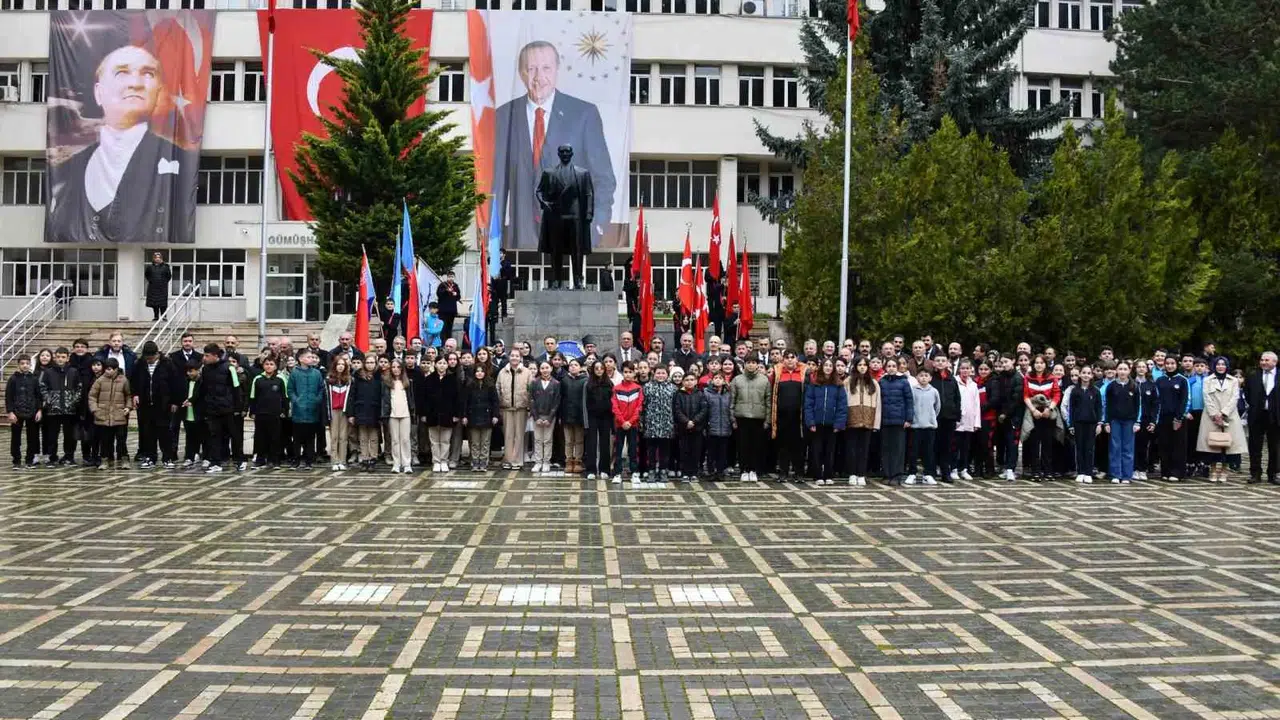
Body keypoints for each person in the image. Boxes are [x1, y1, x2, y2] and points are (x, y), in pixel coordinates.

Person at [47, 44, 198, 244]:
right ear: (98, 93)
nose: (135, 83)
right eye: (121, 73)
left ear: (158, 92)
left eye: (148, 74)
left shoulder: (181, 160)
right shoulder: (66, 171)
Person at [491, 40, 616, 252]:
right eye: (531, 69)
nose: (539, 77)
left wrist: (596, 222)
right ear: (521, 73)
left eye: (546, 68)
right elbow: (497, 183)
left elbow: (603, 178)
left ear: (557, 69)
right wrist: (493, 236)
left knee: (568, 280)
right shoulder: (505, 116)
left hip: (572, 228)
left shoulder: (584, 114)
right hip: (521, 233)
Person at [131, 340, 181, 469]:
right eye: (147, 357)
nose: (149, 360)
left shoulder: (168, 364)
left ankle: (168, 457)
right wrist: (135, 394)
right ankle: (149, 457)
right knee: (148, 432)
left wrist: (175, 401)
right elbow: (134, 381)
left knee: (164, 432)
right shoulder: (139, 364)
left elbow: (176, 384)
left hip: (163, 405)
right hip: (146, 404)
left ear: (157, 354)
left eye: (151, 357)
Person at [1198, 356, 1247, 483]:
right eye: (1218, 364)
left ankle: (1224, 470)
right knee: (1213, 444)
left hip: (1229, 416)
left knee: (1228, 445)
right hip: (1211, 416)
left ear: (1227, 366)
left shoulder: (1233, 381)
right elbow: (1206, 397)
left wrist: (1224, 413)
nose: (1220, 366)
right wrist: (1215, 414)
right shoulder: (1208, 380)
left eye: (1223, 364)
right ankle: (1213, 469)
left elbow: (1235, 398)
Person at [804, 358, 847, 486]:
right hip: (817, 424)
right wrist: (810, 422)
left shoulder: (838, 385)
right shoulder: (814, 384)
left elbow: (842, 406)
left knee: (830, 451)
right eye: (825, 365)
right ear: (821, 367)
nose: (828, 367)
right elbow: (808, 404)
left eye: (830, 366)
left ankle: (828, 474)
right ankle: (818, 475)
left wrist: (839, 424)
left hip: (832, 424)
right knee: (817, 450)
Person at [730, 355, 771, 482]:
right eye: (748, 362)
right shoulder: (737, 380)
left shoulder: (764, 380)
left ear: (758, 365)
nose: (751, 365)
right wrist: (733, 419)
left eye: (754, 362)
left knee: (756, 446)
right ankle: (744, 470)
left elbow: (768, 401)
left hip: (758, 418)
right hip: (742, 417)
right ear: (744, 364)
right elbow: (732, 401)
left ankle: (753, 470)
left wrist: (767, 420)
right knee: (743, 446)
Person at [38, 347, 81, 466]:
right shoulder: (48, 372)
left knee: (69, 435)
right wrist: (49, 399)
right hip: (53, 410)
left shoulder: (73, 371)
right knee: (52, 435)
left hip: (69, 410)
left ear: (67, 358)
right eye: (58, 357)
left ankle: (69, 456)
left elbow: (79, 388)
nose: (60, 359)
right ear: (55, 358)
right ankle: (52, 457)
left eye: (63, 357)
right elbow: (42, 387)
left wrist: (73, 400)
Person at [1022, 355, 1060, 481]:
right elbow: (1026, 395)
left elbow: (1056, 395)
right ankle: (1035, 472)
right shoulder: (1028, 377)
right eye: (1037, 363)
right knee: (1034, 443)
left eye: (1041, 363)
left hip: (1048, 412)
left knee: (1048, 444)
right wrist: (1033, 410)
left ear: (1045, 364)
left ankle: (1048, 471)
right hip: (1033, 412)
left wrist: (1049, 409)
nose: (1039, 365)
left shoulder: (1051, 378)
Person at [1243, 351, 1279, 485]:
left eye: (1267, 360)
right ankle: (1255, 473)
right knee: (1254, 445)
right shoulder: (1253, 375)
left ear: (1275, 362)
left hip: (1275, 416)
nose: (1263, 362)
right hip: (1257, 414)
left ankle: (1273, 473)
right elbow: (1247, 393)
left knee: (1275, 446)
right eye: (1262, 360)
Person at [1102, 360, 1141, 484]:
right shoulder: (1111, 386)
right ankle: (1115, 474)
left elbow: (1139, 405)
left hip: (1129, 421)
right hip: (1115, 421)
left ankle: (1126, 475)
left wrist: (1137, 422)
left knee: (1128, 448)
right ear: (1116, 371)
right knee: (1115, 447)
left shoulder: (1134, 386)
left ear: (1129, 371)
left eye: (1125, 369)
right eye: (1120, 369)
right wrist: (1106, 422)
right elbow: (1107, 406)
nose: (1122, 372)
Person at [88, 358, 131, 470]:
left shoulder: (123, 380)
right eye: (106, 369)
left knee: (121, 440)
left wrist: (128, 407)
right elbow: (92, 396)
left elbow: (128, 395)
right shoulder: (100, 380)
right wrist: (95, 409)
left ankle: (124, 459)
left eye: (110, 369)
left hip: (119, 415)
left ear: (116, 369)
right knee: (105, 440)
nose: (108, 371)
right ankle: (104, 460)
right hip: (103, 415)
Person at [844, 356, 880, 487]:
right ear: (855, 367)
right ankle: (852, 473)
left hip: (867, 420)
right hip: (852, 419)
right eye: (859, 365)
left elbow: (878, 404)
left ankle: (861, 474)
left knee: (864, 449)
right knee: (851, 448)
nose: (862, 367)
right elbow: (844, 401)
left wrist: (876, 423)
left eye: (865, 365)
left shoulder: (874, 383)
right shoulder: (848, 381)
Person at [770, 352, 806, 482]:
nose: (790, 360)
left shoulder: (803, 372)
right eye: (787, 358)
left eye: (792, 357)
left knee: (798, 446)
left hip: (799, 416)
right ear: (783, 360)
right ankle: (783, 473)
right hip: (781, 416)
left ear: (797, 359)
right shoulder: (777, 373)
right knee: (783, 446)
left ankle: (799, 473)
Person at [1153, 355, 1190, 482]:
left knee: (1178, 445)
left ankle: (1177, 471)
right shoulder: (1159, 380)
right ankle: (1166, 471)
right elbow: (1156, 400)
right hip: (1163, 418)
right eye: (1167, 363)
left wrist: (1179, 417)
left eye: (1172, 363)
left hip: (1177, 419)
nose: (1169, 366)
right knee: (1164, 444)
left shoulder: (1182, 380)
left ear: (1177, 364)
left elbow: (1185, 399)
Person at [346, 355, 385, 472]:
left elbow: (382, 396)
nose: (370, 365)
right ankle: (364, 458)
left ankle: (373, 458)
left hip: (374, 410)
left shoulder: (379, 377)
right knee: (362, 437)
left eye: (372, 362)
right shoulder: (357, 377)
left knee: (373, 436)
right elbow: (352, 395)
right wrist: (351, 414)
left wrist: (382, 413)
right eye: (367, 362)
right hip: (361, 410)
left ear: (376, 363)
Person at [878, 358, 914, 486]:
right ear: (885, 368)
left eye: (894, 366)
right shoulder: (881, 382)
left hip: (899, 421)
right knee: (886, 448)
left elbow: (909, 401)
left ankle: (897, 475)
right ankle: (887, 474)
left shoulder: (904, 382)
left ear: (898, 367)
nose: (891, 368)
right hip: (885, 420)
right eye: (889, 366)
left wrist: (909, 418)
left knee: (898, 449)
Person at [497, 349, 534, 469]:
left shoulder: (527, 372)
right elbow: (498, 388)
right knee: (508, 435)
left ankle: (517, 460)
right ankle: (508, 460)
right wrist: (500, 403)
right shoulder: (502, 372)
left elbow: (530, 390)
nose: (514, 358)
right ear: (509, 357)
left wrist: (529, 406)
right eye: (512, 355)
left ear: (520, 358)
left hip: (521, 407)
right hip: (506, 407)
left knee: (519, 435)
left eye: (517, 356)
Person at [1065, 365, 1103, 483]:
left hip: (1091, 423)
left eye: (1088, 373)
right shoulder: (1075, 391)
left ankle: (1088, 472)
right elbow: (1071, 408)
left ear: (1091, 375)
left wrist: (1099, 423)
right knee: (1079, 447)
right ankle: (1081, 471)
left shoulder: (1095, 391)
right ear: (1080, 375)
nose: (1086, 375)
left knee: (1089, 448)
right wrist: (1071, 424)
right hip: (1078, 423)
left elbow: (1099, 408)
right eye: (1084, 373)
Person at [289, 350, 325, 471]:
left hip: (313, 410)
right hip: (298, 411)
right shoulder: (295, 373)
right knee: (297, 438)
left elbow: (321, 388)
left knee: (310, 438)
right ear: (301, 359)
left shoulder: (317, 373)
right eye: (309, 357)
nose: (312, 359)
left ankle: (309, 460)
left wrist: (317, 399)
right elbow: (290, 389)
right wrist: (296, 400)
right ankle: (296, 459)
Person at [249, 357, 287, 468]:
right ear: (263, 366)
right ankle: (260, 459)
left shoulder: (280, 379)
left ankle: (274, 460)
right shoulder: (258, 379)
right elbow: (253, 396)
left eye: (271, 364)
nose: (269, 366)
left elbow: (285, 396)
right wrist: (252, 411)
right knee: (260, 437)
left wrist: (284, 410)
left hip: (275, 413)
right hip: (261, 413)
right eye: (266, 364)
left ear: (275, 366)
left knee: (275, 437)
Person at [462, 364, 499, 471]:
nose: (479, 373)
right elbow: (465, 402)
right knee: (475, 442)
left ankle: (483, 462)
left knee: (485, 442)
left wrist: (495, 415)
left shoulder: (490, 385)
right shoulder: (469, 385)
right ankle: (475, 461)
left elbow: (495, 402)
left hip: (487, 416)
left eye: (481, 371)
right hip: (473, 416)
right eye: (477, 371)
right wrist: (464, 416)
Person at [6, 355, 41, 469]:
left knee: (32, 437)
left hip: (32, 412)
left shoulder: (34, 379)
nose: (25, 365)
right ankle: (16, 460)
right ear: (18, 365)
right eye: (22, 363)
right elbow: (9, 397)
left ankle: (29, 460)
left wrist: (39, 410)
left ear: (30, 365)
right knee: (16, 438)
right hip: (16, 413)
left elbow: (38, 396)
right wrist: (10, 412)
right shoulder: (13, 379)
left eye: (27, 363)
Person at [674, 370, 709, 482]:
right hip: (683, 428)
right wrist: (686, 422)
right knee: (684, 450)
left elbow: (704, 410)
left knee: (696, 451)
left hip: (697, 428)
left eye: (692, 380)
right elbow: (677, 410)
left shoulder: (700, 394)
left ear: (696, 381)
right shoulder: (679, 394)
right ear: (683, 382)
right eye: (687, 380)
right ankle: (685, 472)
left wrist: (694, 421)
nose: (689, 382)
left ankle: (693, 473)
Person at [908, 367, 941, 486]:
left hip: (929, 426)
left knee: (929, 452)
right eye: (921, 375)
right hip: (916, 426)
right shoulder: (912, 390)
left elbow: (937, 408)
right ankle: (912, 473)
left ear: (930, 378)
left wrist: (931, 419)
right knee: (914, 451)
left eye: (926, 376)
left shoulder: (934, 391)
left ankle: (929, 474)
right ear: (917, 377)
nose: (923, 378)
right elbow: (910, 406)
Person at [583, 360, 615, 480]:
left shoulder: (609, 384)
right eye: (596, 368)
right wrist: (586, 421)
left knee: (605, 443)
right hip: (592, 417)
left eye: (601, 368)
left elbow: (613, 402)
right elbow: (584, 403)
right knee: (591, 443)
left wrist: (612, 421)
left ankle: (604, 469)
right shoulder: (588, 384)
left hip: (606, 417)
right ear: (593, 370)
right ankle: (591, 469)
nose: (599, 370)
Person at [528, 361, 562, 475]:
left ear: (551, 368)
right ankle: (538, 461)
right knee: (537, 439)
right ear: (539, 370)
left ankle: (546, 461)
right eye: (542, 368)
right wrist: (536, 417)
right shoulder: (534, 382)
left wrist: (550, 418)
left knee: (547, 440)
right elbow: (531, 400)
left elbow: (556, 402)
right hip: (537, 415)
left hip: (549, 416)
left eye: (547, 367)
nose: (545, 370)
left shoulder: (556, 383)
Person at [384, 359, 417, 474]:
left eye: (398, 367)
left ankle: (407, 463)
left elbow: (411, 399)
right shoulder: (387, 382)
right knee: (395, 440)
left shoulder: (407, 382)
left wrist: (412, 412)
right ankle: (396, 463)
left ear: (402, 369)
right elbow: (385, 400)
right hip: (392, 415)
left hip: (405, 414)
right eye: (393, 367)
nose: (396, 369)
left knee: (405, 439)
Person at [559, 358, 588, 475]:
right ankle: (569, 460)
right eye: (571, 365)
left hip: (580, 415)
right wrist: (560, 415)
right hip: (566, 414)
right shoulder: (564, 380)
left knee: (579, 440)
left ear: (580, 367)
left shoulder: (585, 380)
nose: (573, 367)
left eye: (576, 365)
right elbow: (560, 398)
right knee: (568, 440)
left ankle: (578, 461)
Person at [1134, 360, 1160, 481]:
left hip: (1146, 419)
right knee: (1133, 445)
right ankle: (1134, 469)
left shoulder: (1151, 385)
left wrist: (1153, 421)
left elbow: (1155, 404)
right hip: (1132, 420)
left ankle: (1142, 469)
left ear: (1147, 369)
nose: (1141, 369)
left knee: (1144, 446)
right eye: (1138, 366)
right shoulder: (1131, 383)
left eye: (1143, 367)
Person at [703, 372, 733, 481]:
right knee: (711, 452)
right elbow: (705, 410)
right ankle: (711, 471)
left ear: (724, 381)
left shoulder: (728, 393)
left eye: (720, 378)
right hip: (712, 427)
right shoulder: (707, 393)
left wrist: (731, 422)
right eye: (716, 378)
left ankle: (720, 472)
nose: (718, 380)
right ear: (712, 380)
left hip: (725, 427)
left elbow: (731, 409)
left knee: (722, 452)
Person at [955, 359, 980, 481]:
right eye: (963, 368)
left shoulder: (974, 385)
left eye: (967, 368)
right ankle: (953, 468)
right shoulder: (955, 382)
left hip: (970, 420)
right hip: (957, 421)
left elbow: (976, 405)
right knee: (955, 446)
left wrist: (977, 422)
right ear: (959, 369)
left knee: (966, 447)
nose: (965, 371)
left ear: (971, 370)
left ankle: (963, 469)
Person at [326, 357, 352, 471]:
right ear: (334, 366)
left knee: (343, 437)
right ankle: (334, 460)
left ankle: (342, 460)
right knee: (334, 436)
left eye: (343, 364)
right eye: (338, 364)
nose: (341, 366)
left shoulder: (350, 380)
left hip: (344, 411)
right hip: (333, 410)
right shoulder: (329, 380)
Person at [144, 252, 172, 320]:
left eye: (159, 257)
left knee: (163, 303)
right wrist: (151, 281)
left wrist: (163, 282)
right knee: (154, 303)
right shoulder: (150, 267)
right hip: (153, 288)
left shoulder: (165, 266)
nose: (157, 259)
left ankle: (164, 316)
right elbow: (147, 275)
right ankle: (156, 316)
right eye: (156, 257)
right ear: (154, 259)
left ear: (161, 258)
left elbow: (169, 276)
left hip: (162, 288)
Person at [437, 272, 461, 341]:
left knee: (449, 328)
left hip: (452, 311)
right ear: (447, 277)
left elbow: (458, 297)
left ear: (454, 277)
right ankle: (442, 343)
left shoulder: (456, 286)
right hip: (443, 311)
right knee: (443, 328)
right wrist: (446, 291)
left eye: (452, 276)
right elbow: (439, 294)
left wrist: (456, 294)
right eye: (449, 276)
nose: (451, 278)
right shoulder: (443, 285)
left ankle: (449, 342)